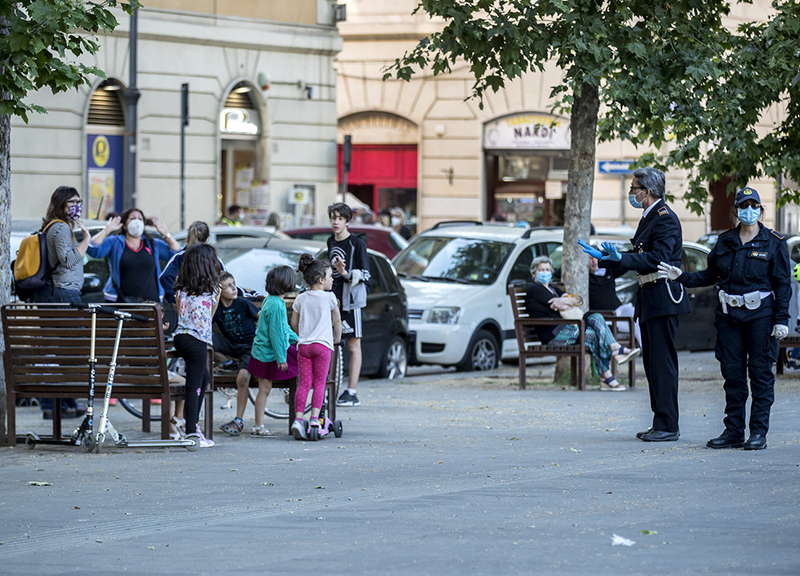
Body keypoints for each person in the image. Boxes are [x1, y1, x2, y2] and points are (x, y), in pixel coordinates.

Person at [658, 187, 790, 451]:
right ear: (736, 211)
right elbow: (710, 275)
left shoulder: (774, 242)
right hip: (729, 317)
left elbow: (783, 283)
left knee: (761, 374)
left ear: (761, 211)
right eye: (744, 206)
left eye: (754, 206)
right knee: (732, 375)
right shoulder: (725, 241)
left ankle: (758, 433)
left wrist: (781, 319)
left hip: (761, 316)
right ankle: (733, 431)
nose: (749, 211)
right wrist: (680, 276)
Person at [580, 166, 691, 441]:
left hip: (663, 296)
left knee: (663, 364)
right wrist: (606, 258)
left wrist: (620, 259)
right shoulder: (649, 217)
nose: (631, 192)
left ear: (647, 191)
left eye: (633, 188)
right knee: (653, 364)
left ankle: (668, 426)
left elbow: (658, 258)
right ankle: (660, 422)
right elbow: (638, 254)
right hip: (650, 296)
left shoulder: (665, 218)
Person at [525, 256, 639, 391]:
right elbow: (561, 304)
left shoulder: (555, 290)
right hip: (554, 336)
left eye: (547, 270)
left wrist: (565, 301)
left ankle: (610, 364)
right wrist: (565, 301)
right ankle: (609, 370)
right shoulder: (535, 289)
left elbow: (577, 301)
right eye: (541, 270)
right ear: (534, 274)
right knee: (596, 334)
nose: (545, 272)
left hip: (568, 330)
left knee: (595, 317)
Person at [34, 186, 90, 420]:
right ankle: (53, 404)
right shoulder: (59, 228)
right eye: (72, 202)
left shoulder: (58, 227)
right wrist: (86, 238)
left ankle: (65, 402)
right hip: (62, 295)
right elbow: (68, 260)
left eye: (79, 201)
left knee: (62, 351)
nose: (76, 206)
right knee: (67, 351)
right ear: (61, 204)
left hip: (59, 294)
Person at [172, 243, 221, 448]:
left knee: (204, 378)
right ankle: (191, 430)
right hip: (197, 341)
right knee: (194, 386)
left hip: (181, 336)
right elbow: (209, 316)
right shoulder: (213, 290)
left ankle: (190, 425)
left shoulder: (179, 287)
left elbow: (179, 312)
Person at [289, 254, 342, 440]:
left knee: (303, 384)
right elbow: (337, 321)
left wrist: (301, 335)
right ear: (321, 280)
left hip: (304, 347)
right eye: (330, 276)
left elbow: (293, 322)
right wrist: (336, 338)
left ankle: (297, 420)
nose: (332, 279)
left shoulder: (301, 298)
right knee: (319, 384)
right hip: (323, 347)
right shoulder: (330, 298)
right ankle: (313, 420)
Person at [327, 202, 371, 407]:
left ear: (347, 221)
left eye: (339, 218)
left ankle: (351, 392)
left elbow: (366, 274)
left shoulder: (357, 244)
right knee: (330, 344)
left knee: (353, 346)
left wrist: (345, 273)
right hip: (331, 299)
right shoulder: (330, 241)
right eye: (333, 218)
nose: (336, 222)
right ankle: (328, 387)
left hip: (351, 301)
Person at [247, 265, 299, 437]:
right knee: (268, 387)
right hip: (269, 354)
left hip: (263, 352)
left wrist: (297, 339)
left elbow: (282, 329)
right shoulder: (277, 305)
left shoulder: (271, 300)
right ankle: (261, 425)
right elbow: (276, 334)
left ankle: (258, 425)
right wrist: (281, 358)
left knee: (264, 388)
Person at [88, 208, 181, 302]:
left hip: (151, 302)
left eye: (140, 219)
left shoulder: (153, 244)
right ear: (124, 225)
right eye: (132, 219)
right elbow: (93, 249)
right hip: (120, 302)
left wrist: (167, 235)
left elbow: (177, 254)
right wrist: (107, 230)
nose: (137, 221)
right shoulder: (115, 242)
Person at [214, 272, 261, 436]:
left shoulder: (243, 303)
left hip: (249, 348)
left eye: (234, 284)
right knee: (205, 339)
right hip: (231, 347)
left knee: (243, 378)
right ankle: (228, 363)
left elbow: (261, 318)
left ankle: (238, 420)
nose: (234, 288)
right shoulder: (216, 307)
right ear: (219, 291)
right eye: (228, 286)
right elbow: (204, 326)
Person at [160, 221, 223, 304]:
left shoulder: (180, 257)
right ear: (208, 238)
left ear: (188, 238)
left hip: (184, 306)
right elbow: (224, 278)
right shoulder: (213, 258)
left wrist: (175, 298)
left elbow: (165, 277)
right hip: (207, 305)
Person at [589, 256, 641, 346]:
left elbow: (625, 264)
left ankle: (645, 349)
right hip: (602, 317)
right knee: (629, 325)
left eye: (596, 258)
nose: (594, 261)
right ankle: (622, 350)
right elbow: (559, 273)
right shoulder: (584, 277)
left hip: (619, 310)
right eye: (590, 258)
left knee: (635, 314)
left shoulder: (609, 271)